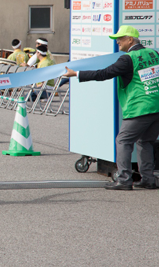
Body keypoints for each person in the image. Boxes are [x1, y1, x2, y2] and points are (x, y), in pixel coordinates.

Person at [65, 25, 159, 190]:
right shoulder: (154, 53)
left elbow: (103, 74)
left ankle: (124, 180)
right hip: (156, 106)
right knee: (146, 142)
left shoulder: (128, 59)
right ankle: (148, 179)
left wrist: (76, 74)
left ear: (130, 39)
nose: (117, 42)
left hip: (139, 108)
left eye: (120, 39)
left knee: (123, 141)